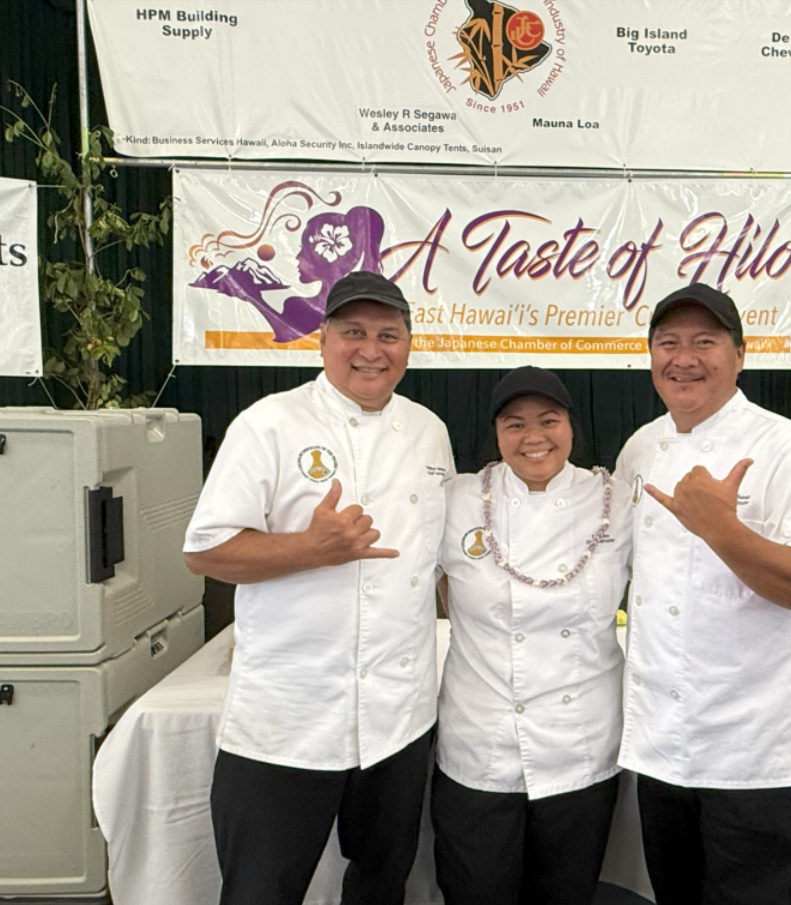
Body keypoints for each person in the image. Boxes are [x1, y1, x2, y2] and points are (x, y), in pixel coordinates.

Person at [182, 270, 454, 905]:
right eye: (353, 332)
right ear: (322, 339)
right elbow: (205, 552)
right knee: (260, 891)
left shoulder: (429, 431)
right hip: (288, 721)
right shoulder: (269, 424)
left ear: (409, 345)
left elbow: (437, 562)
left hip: (397, 721)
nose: (371, 349)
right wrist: (309, 548)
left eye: (389, 334)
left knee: (380, 886)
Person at [614, 283, 791, 905]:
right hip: (663, 749)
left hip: (755, 755)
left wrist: (719, 527)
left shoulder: (790, 448)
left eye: (704, 342)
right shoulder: (640, 448)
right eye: (668, 342)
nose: (683, 357)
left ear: (740, 356)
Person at [432, 366, 632, 905]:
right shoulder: (457, 499)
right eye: (514, 424)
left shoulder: (617, 500)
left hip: (579, 743)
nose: (533, 437)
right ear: (496, 433)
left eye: (549, 420)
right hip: (479, 741)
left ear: (571, 425)